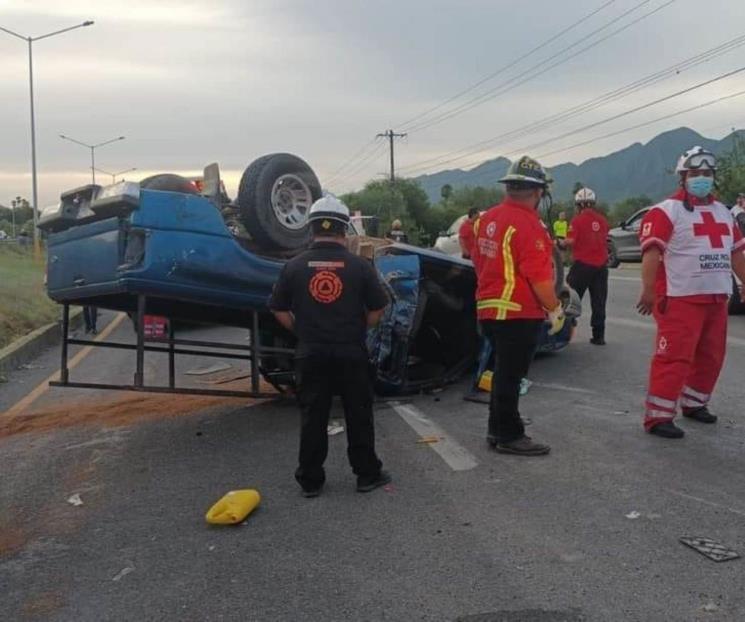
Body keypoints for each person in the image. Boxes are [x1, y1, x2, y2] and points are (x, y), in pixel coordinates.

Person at [269, 195, 391, 495]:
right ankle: (366, 475)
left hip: (311, 351)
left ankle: (310, 480)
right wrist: (358, 328)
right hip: (350, 350)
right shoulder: (359, 266)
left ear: (311, 228)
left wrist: (302, 331)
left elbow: (278, 308)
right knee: (358, 414)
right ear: (343, 229)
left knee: (313, 415)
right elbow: (378, 308)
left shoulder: (294, 266)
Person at [637, 146, 745, 439]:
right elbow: (651, 253)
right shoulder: (665, 211)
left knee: (712, 355)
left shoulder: (723, 213)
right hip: (679, 297)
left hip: (716, 297)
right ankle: (658, 416)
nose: (702, 178)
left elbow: (737, 253)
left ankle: (695, 403)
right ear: (682, 177)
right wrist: (648, 290)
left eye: (707, 174)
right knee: (673, 357)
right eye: (695, 173)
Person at [472, 155, 565, 456]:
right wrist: (555, 308)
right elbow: (539, 278)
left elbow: (477, 259)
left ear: (508, 188)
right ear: (539, 192)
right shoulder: (529, 226)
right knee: (511, 375)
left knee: (502, 372)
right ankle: (510, 435)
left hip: (489, 309)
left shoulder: (488, 218)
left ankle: (496, 428)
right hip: (517, 313)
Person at [562, 187, 609, 345]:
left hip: (582, 265)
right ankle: (599, 335)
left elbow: (571, 241)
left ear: (579, 205)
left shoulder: (577, 220)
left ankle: (564, 332)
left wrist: (559, 243)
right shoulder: (602, 220)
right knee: (599, 301)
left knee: (570, 299)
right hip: (601, 266)